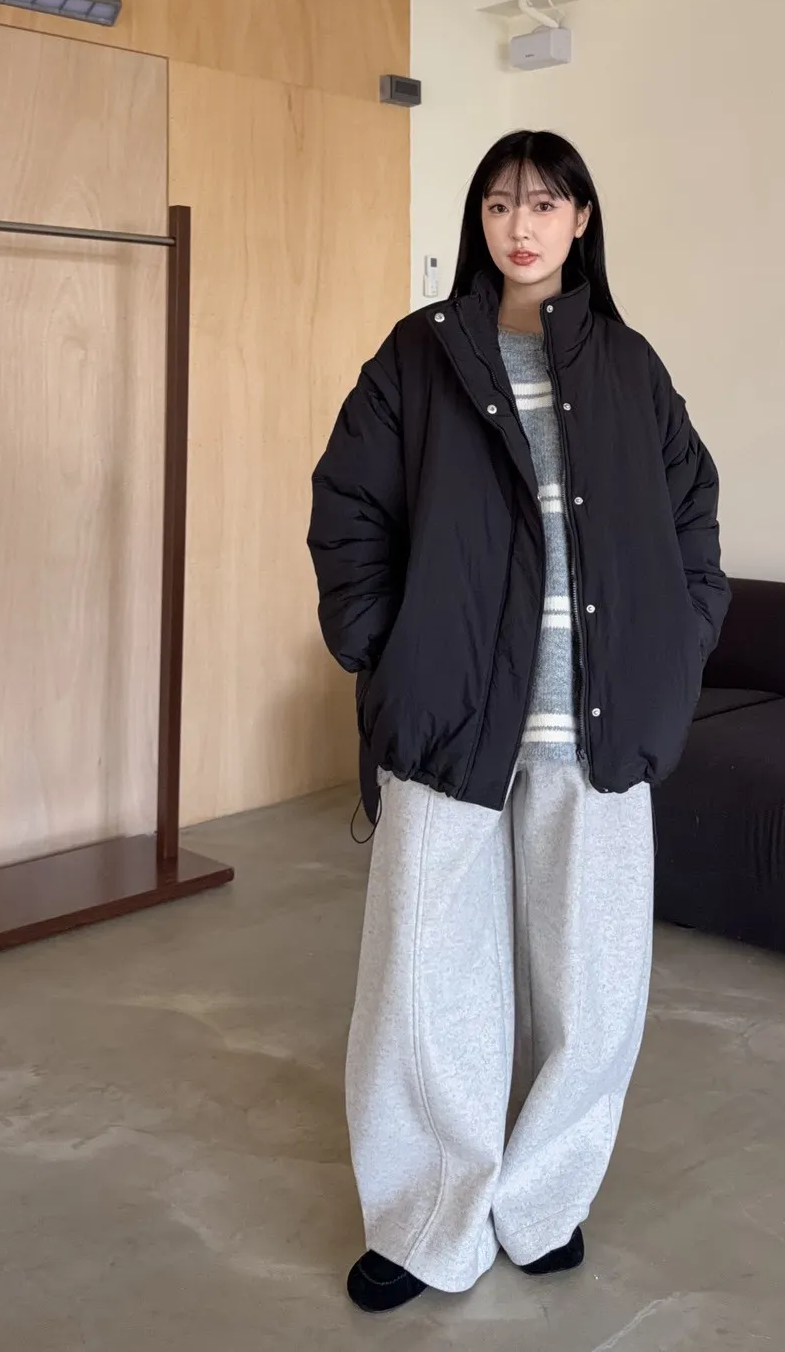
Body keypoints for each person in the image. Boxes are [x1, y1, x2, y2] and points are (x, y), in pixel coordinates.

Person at [308, 130, 729, 1313]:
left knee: (593, 985)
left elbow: (693, 518)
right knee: (422, 980)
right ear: (478, 220)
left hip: (595, 727)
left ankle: (541, 1200)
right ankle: (427, 1218)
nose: (521, 225)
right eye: (500, 203)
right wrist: (382, 644)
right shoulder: (420, 354)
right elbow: (347, 505)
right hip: (448, 718)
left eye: (544, 203)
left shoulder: (628, 366)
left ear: (581, 218)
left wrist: (675, 647)